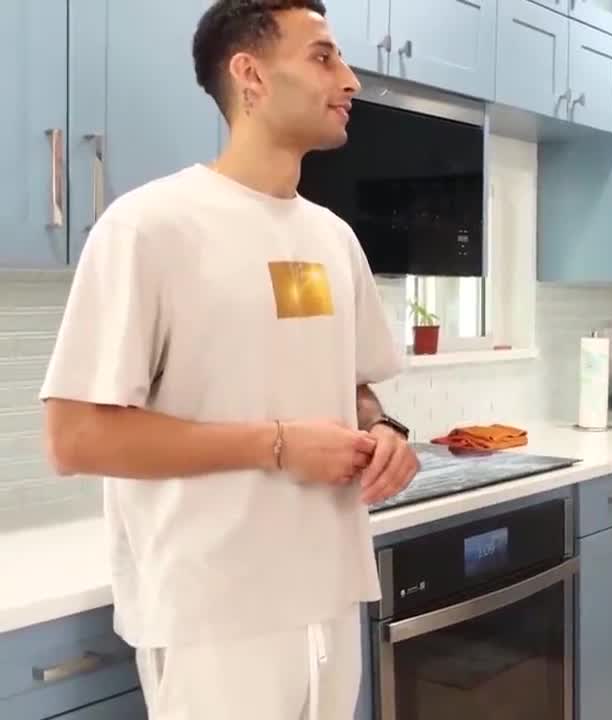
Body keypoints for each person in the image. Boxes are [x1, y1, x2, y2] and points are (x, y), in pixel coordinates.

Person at [37, 1, 420, 717]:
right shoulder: (149, 227)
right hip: (212, 618)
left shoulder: (333, 238)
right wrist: (277, 445)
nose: (350, 80)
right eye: (323, 56)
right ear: (251, 75)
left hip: (329, 598)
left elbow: (354, 387)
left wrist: (383, 430)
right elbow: (74, 437)